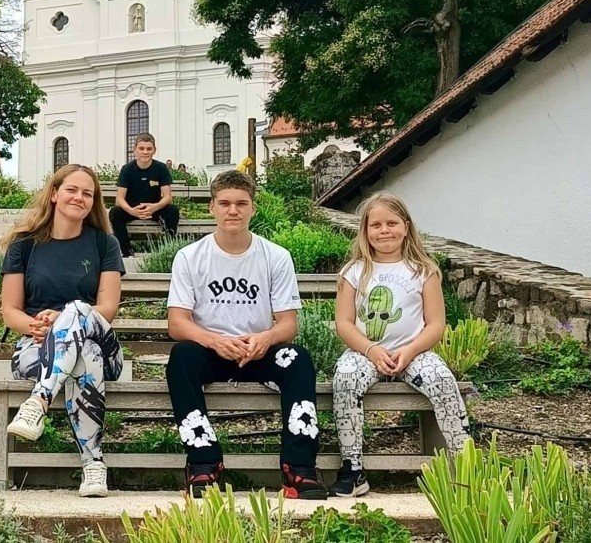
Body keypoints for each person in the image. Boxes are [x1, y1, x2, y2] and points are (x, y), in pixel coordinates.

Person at [166, 169, 327, 500]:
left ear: (253, 208)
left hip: (258, 352)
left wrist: (265, 339)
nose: (233, 211)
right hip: (210, 352)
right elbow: (177, 323)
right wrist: (215, 341)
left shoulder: (276, 256)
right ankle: (204, 463)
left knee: (297, 358)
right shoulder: (190, 257)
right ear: (212, 207)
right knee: (181, 356)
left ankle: (298, 469)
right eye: (225, 203)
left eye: (241, 203)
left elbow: (288, 324)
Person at [330, 192, 471, 498]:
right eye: (376, 225)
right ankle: (352, 468)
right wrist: (371, 350)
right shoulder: (354, 272)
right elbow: (344, 323)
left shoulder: (424, 271)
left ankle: (466, 465)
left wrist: (410, 351)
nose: (384, 231)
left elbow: (435, 324)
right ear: (365, 230)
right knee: (345, 378)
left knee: (442, 379)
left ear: (406, 227)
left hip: (414, 353)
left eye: (392, 223)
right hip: (366, 353)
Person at [0, 163, 125, 498]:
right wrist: (36, 325)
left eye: (87, 193)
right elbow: (10, 311)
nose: (79, 197)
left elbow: (107, 309)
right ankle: (93, 464)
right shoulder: (24, 245)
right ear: (54, 194)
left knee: (78, 311)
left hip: (101, 341)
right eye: (72, 190)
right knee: (85, 356)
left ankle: (38, 401)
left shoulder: (104, 244)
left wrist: (63, 319)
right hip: (39, 346)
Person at [108, 133, 181, 258]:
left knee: (172, 211)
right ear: (135, 149)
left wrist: (155, 207)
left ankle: (166, 251)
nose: (145, 152)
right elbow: (119, 199)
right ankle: (127, 252)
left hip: (154, 209)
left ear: (154, 150)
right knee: (115, 213)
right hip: (132, 209)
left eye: (149, 149)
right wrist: (132, 211)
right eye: (141, 148)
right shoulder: (127, 169)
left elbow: (167, 197)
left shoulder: (161, 168)